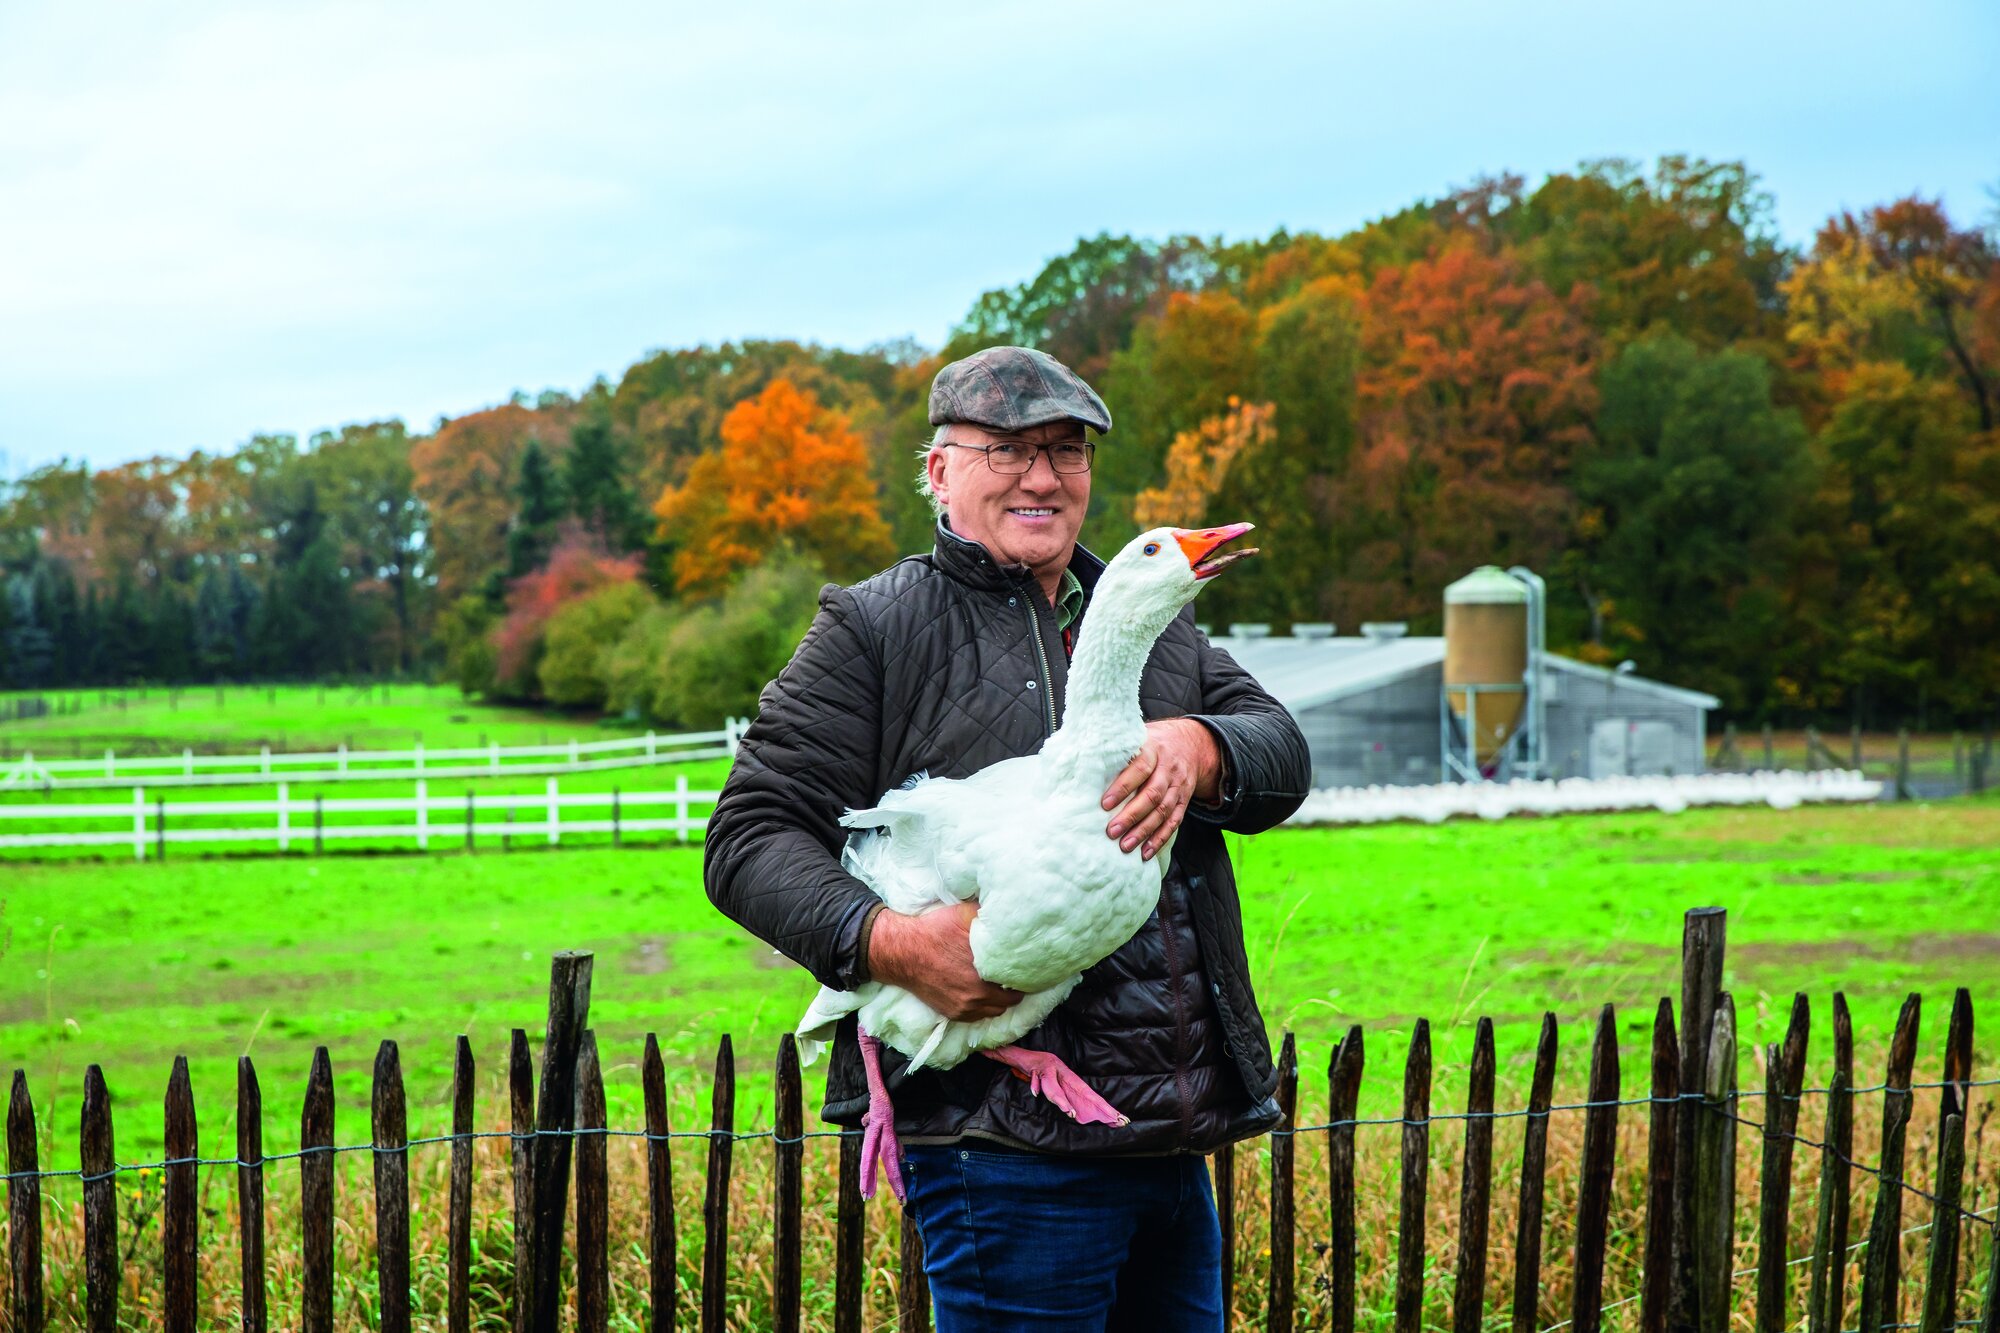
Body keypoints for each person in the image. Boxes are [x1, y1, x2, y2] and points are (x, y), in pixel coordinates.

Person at [705, 345, 1311, 1331]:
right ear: (938, 470)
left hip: (1168, 1143)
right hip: (999, 1151)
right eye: (1005, 450)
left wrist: (1199, 745)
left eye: (1064, 451)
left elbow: (1282, 755)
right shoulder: (874, 629)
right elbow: (747, 836)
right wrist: (892, 944)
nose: (1040, 476)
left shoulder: (1148, 617)